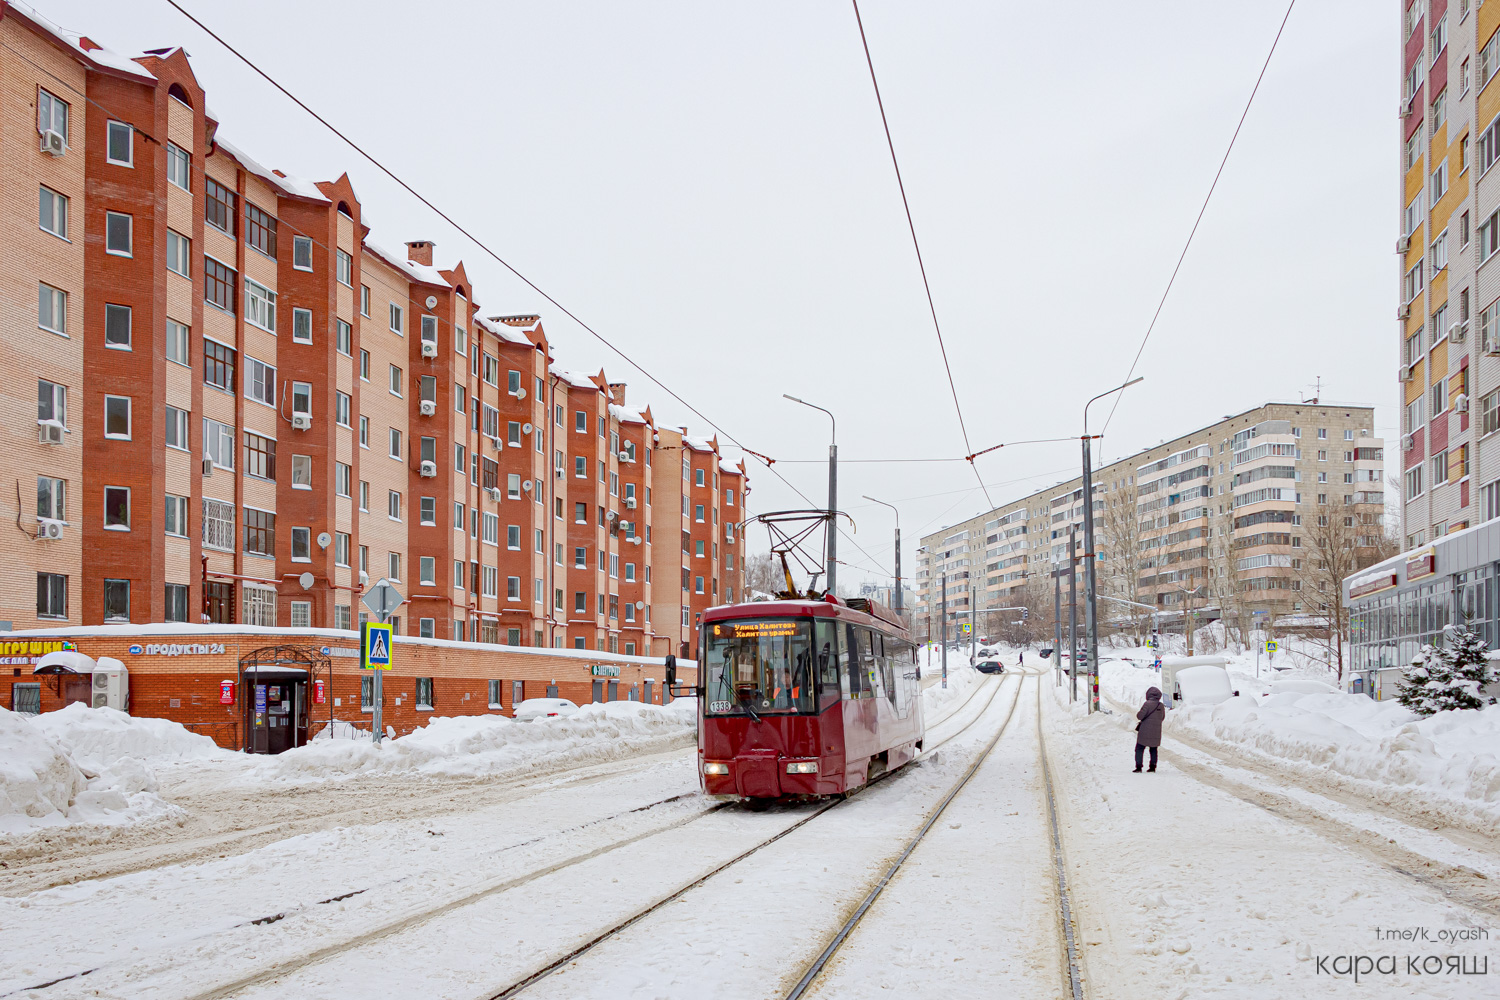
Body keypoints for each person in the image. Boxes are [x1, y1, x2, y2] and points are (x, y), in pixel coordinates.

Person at [1134, 686, 1165, 772]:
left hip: (1145, 730)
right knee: (1153, 749)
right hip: (1156, 731)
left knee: (1139, 748)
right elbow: (1162, 717)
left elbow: (1140, 716)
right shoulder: (1161, 705)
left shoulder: (1147, 704)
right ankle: (1152, 767)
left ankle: (1139, 767)